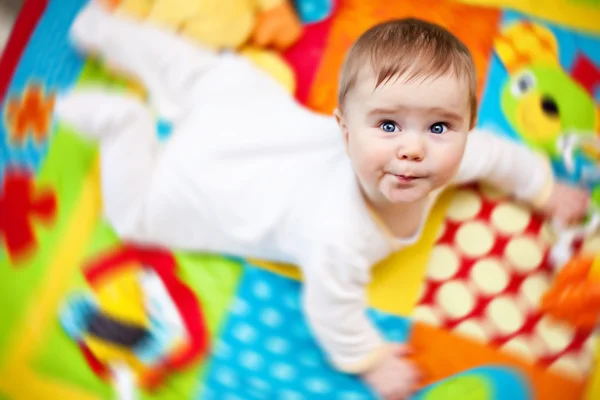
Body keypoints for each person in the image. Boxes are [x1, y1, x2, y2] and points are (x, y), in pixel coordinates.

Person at [56, 2, 590, 398]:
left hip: (248, 116)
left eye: (439, 126)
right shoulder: (340, 236)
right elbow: (330, 308)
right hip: (204, 184)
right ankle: (119, 119)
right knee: (136, 216)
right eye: (387, 124)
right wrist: (370, 358)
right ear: (344, 130)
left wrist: (542, 187)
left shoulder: (449, 157)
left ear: (464, 127)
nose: (412, 149)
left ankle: (105, 38)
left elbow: (495, 154)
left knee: (204, 73)